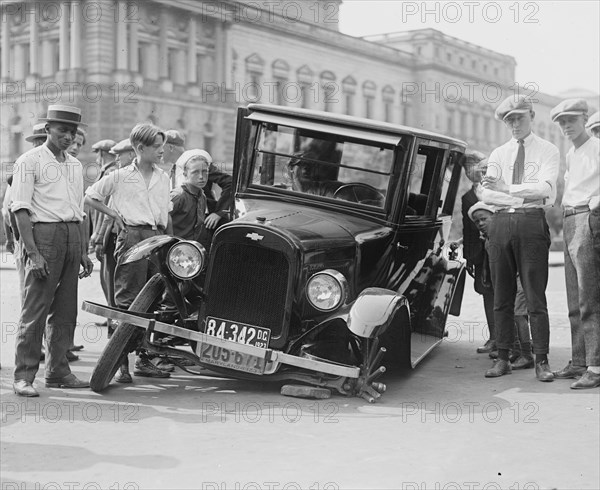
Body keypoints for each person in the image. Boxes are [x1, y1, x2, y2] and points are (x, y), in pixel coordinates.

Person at [10, 104, 94, 397]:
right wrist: (32, 253)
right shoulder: (29, 161)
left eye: (72, 132)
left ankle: (58, 371)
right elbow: (20, 209)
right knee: (35, 308)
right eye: (62, 130)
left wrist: (82, 250)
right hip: (44, 235)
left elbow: (79, 211)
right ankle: (23, 375)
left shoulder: (74, 165)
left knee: (66, 310)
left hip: (71, 236)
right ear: (47, 129)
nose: (68, 137)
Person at [85, 123, 172, 382]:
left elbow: (165, 214)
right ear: (140, 148)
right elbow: (90, 196)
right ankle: (120, 363)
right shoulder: (121, 175)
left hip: (158, 237)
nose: (162, 151)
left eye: (163, 146)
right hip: (132, 236)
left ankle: (143, 359)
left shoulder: (164, 177)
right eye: (156, 147)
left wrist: (170, 242)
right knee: (127, 301)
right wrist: (115, 217)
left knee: (153, 300)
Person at [481, 95, 559, 381]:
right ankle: (503, 358)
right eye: (508, 119)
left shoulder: (548, 150)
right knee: (502, 295)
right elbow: (487, 194)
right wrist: (514, 190)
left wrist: (507, 187)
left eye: (519, 117)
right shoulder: (499, 153)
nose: (514, 124)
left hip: (531, 222)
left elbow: (546, 190)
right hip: (500, 222)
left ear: (531, 115)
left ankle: (541, 360)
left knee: (535, 295)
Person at [550, 99, 600, 389]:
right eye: (561, 122)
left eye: (571, 120)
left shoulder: (597, 146)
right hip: (570, 218)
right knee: (573, 297)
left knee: (589, 296)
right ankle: (579, 360)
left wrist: (595, 204)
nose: (566, 126)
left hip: (587, 217)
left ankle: (595, 365)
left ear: (584, 118)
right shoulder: (572, 153)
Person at [468, 202, 533, 370]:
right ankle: (515, 350)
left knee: (519, 314)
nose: (480, 224)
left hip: (522, 278)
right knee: (509, 313)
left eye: (484, 219)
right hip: (510, 280)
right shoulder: (488, 239)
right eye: (477, 222)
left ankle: (527, 354)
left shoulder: (506, 234)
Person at [459, 150, 495, 354]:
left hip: (498, 250)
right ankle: (494, 337)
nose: (469, 171)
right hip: (480, 255)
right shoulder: (467, 197)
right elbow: (467, 229)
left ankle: (515, 340)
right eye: (466, 167)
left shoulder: (496, 190)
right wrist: (469, 257)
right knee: (486, 293)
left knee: (506, 293)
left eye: (473, 164)